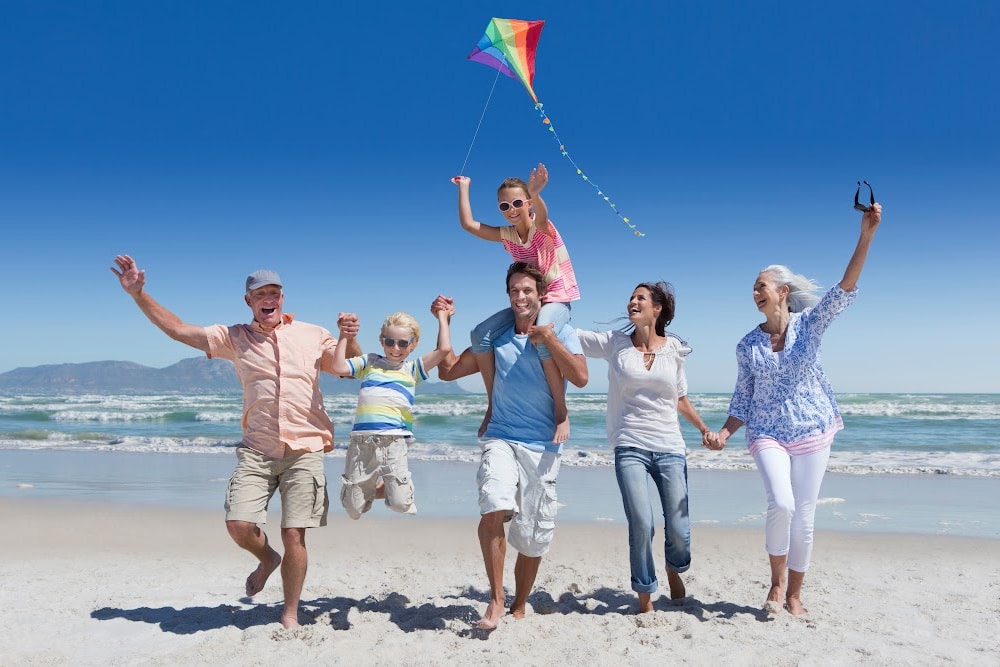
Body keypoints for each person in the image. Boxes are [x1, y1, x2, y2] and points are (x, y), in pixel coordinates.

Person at [110, 255, 361, 629]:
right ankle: (267, 559)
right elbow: (178, 329)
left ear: (283, 297)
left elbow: (349, 367)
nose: (268, 298)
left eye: (274, 292)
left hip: (304, 450)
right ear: (249, 301)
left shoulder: (311, 334)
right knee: (238, 525)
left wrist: (349, 337)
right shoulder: (234, 337)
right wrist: (139, 294)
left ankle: (289, 612)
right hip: (257, 451)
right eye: (260, 293)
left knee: (295, 533)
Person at [708, 201, 883, 616]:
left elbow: (845, 288)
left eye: (761, 287)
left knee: (804, 515)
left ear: (782, 292)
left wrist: (866, 234)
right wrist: (724, 433)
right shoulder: (746, 345)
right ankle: (775, 581)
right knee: (781, 504)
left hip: (813, 428)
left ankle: (794, 595)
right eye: (753, 288)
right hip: (767, 432)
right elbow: (743, 399)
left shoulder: (810, 325)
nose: (755, 293)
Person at [435, 262, 588, 630]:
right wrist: (443, 321)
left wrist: (548, 337)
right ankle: (496, 598)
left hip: (543, 444)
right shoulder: (497, 340)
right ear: (508, 297)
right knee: (493, 506)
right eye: (515, 291)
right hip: (501, 435)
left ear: (540, 296)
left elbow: (581, 377)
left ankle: (520, 603)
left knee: (534, 535)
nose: (521, 297)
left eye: (528, 291)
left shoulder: (562, 332)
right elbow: (448, 370)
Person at [577, 282, 720, 613]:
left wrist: (703, 429)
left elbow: (680, 398)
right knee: (642, 521)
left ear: (657, 309)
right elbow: (573, 336)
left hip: (670, 446)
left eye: (640, 297)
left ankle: (673, 567)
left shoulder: (674, 349)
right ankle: (645, 596)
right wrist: (545, 305)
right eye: (630, 297)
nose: (632, 301)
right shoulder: (615, 344)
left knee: (679, 530)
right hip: (630, 444)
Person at [452, 163, 580, 445]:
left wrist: (536, 193)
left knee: (542, 332)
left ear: (529, 203)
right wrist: (464, 188)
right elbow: (469, 225)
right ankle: (493, 404)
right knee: (480, 334)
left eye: (518, 202)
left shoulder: (541, 227)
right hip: (526, 301)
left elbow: (544, 218)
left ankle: (561, 410)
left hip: (556, 297)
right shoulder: (507, 234)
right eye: (504, 205)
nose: (511, 209)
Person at [332, 306, 452, 519]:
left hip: (394, 443)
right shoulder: (369, 362)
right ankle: (371, 489)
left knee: (400, 504)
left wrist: (442, 317)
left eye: (403, 343)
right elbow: (339, 367)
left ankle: (391, 488)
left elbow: (443, 349)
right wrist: (343, 336)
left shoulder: (412, 370)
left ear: (413, 344)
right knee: (353, 509)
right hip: (362, 444)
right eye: (390, 342)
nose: (395, 348)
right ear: (382, 340)